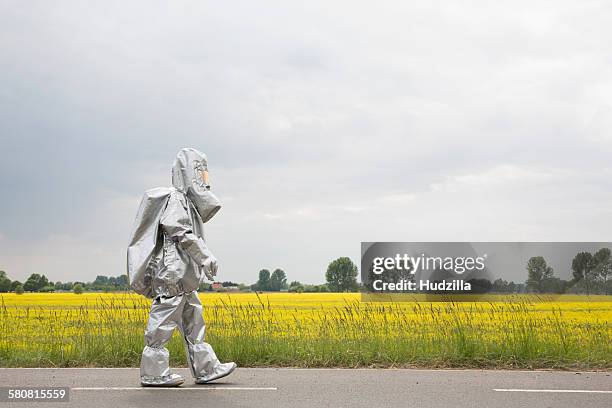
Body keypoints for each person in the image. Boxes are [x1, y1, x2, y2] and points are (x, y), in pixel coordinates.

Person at [127, 147, 236, 387]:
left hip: (183, 276)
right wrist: (204, 256)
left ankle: (206, 368)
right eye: (201, 175)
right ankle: (154, 373)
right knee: (163, 323)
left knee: (194, 321)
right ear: (190, 173)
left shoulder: (185, 201)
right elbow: (181, 232)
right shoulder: (175, 199)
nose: (205, 181)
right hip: (172, 275)